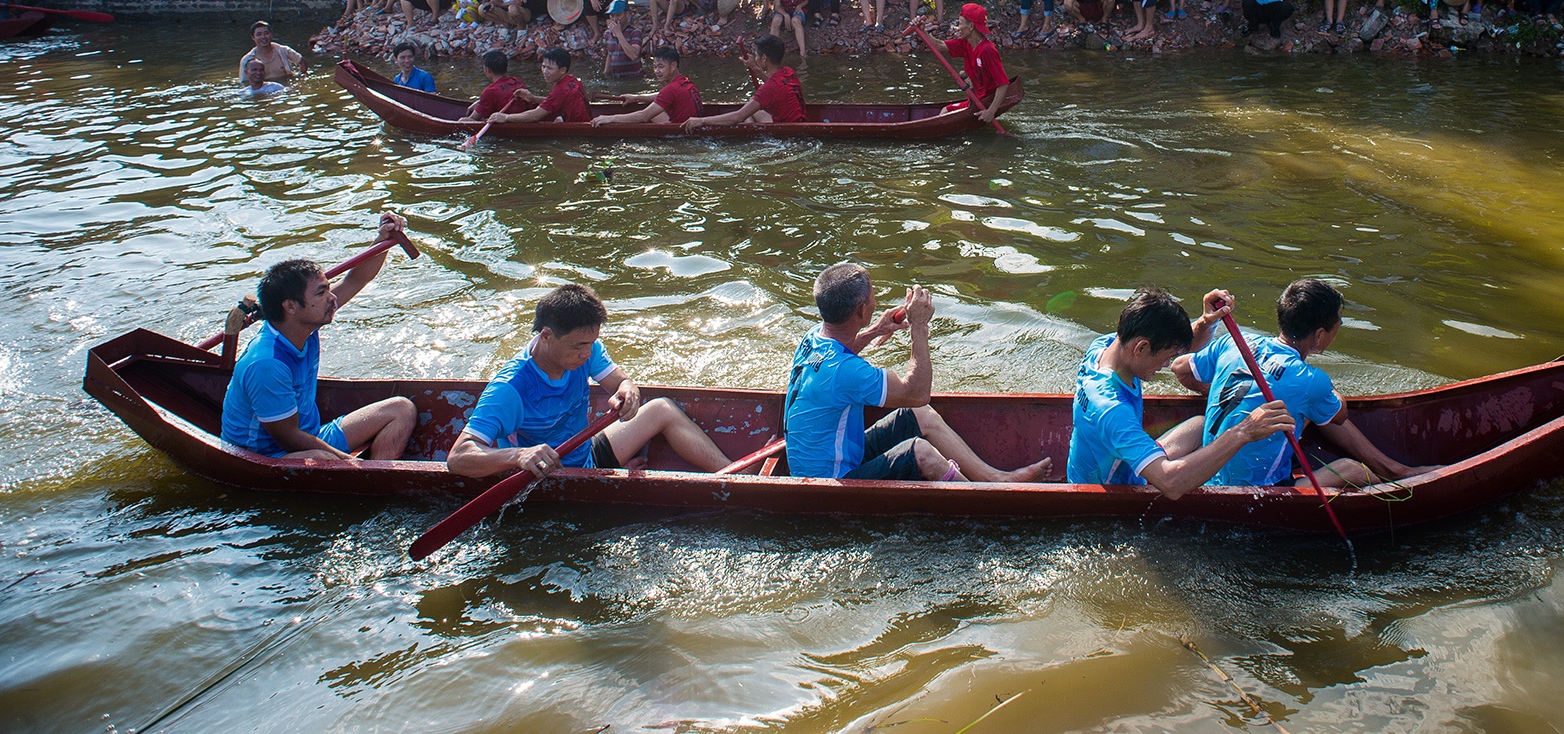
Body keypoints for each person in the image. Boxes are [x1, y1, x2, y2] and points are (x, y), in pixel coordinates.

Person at [785, 263, 1052, 483]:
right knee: (921, 452)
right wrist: (919, 326)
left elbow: (845, 351)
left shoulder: (813, 339)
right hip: (830, 482)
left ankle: (996, 479)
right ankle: (987, 500)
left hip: (836, 455)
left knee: (920, 417)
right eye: (872, 297)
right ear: (860, 310)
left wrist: (878, 329)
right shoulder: (846, 372)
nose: (875, 301)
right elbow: (917, 393)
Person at [446, 284, 728, 480]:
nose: (586, 353)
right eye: (578, 346)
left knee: (662, 409)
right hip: (544, 472)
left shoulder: (587, 348)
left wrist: (628, 392)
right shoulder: (510, 389)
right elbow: (458, 457)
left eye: (591, 344)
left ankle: (735, 475)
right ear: (546, 336)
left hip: (586, 453)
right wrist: (519, 455)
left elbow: (620, 381)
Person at [1171, 279, 1432, 489]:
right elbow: (1338, 415)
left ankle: (1395, 470)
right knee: (1352, 469)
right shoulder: (1310, 380)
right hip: (1262, 490)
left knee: (1303, 407)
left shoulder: (1234, 343)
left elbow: (1180, 367)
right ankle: (1397, 479)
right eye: (1337, 325)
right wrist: (1327, 391)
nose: (1337, 330)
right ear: (1319, 335)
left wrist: (1216, 389)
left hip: (1205, 475)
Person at [219, 213, 418, 461]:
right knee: (324, 458)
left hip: (312, 435)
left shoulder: (304, 323)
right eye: (322, 292)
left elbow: (356, 279)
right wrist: (351, 464)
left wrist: (382, 238)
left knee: (401, 409)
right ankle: (370, 480)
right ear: (290, 306)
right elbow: (289, 438)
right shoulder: (266, 364)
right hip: (265, 455)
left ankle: (378, 485)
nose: (332, 298)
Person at [1067, 288, 1293, 497]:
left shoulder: (1104, 346)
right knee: (1222, 440)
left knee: (1201, 425)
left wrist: (1205, 322)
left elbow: (1173, 345)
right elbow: (1170, 484)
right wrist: (1244, 431)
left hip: (1106, 462)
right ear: (1141, 348)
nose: (1168, 364)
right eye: (1166, 357)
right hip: (1113, 492)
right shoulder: (1112, 409)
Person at [684, 34, 807, 130]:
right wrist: (755, 68)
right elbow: (776, 86)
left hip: (787, 132)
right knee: (752, 112)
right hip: (798, 121)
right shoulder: (788, 72)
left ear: (764, 58)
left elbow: (738, 117)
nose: (755, 58)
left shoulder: (769, 88)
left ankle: (756, 142)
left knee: (745, 113)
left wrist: (701, 121)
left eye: (756, 55)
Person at [595, 45, 698, 126]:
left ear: (673, 66)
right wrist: (637, 98)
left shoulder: (671, 89)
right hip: (688, 124)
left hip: (681, 132)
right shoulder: (685, 82)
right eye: (655, 67)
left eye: (661, 67)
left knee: (647, 112)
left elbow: (644, 116)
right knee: (651, 109)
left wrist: (611, 118)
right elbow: (663, 95)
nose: (657, 71)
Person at [942, 2, 1010, 123]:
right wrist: (922, 31)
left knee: (945, 115)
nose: (958, 28)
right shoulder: (965, 43)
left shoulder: (987, 50)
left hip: (983, 104)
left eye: (960, 24)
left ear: (971, 26)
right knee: (945, 111)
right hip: (974, 101)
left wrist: (991, 111)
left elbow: (1003, 83)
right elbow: (939, 45)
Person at [488, 47, 591, 125]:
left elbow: (535, 116)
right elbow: (554, 100)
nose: (545, 72)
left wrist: (506, 117)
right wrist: (532, 98)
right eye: (543, 66)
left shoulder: (561, 89)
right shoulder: (570, 79)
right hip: (581, 119)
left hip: (577, 127)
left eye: (549, 68)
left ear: (562, 70)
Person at [466, 49, 533, 120]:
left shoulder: (490, 91)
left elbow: (472, 119)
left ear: (487, 70)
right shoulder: (517, 81)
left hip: (508, 124)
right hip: (523, 119)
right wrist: (479, 102)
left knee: (462, 120)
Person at [601, 0, 644, 80]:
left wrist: (619, 34)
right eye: (612, 16)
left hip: (634, 79)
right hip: (617, 79)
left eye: (618, 15)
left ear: (627, 14)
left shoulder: (635, 32)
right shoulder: (608, 33)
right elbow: (610, 55)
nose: (615, 19)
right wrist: (606, 73)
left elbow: (634, 56)